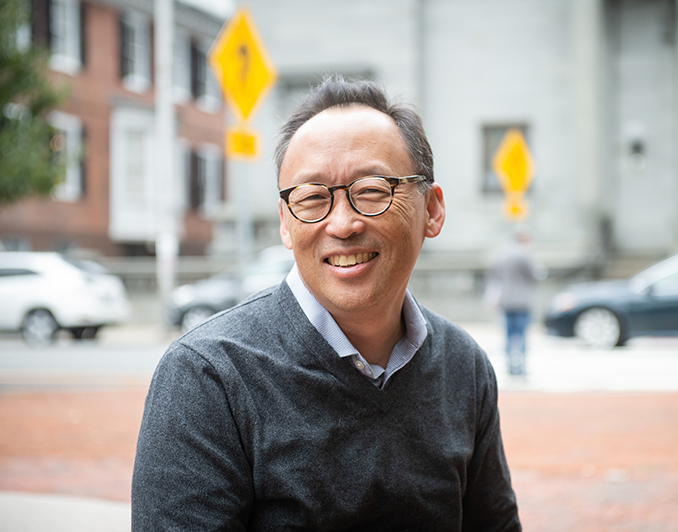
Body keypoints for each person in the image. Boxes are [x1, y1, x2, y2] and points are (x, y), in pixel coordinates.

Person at [132, 76, 521, 531]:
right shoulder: (208, 376)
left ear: (431, 210)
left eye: (373, 189)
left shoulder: (463, 366)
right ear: (285, 223)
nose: (343, 223)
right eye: (313, 198)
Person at [487, 226, 547, 375]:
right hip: (522, 302)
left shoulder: (502, 254)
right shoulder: (525, 255)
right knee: (521, 336)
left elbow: (495, 276)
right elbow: (536, 275)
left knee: (508, 336)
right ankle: (520, 368)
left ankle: (509, 367)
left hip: (506, 301)